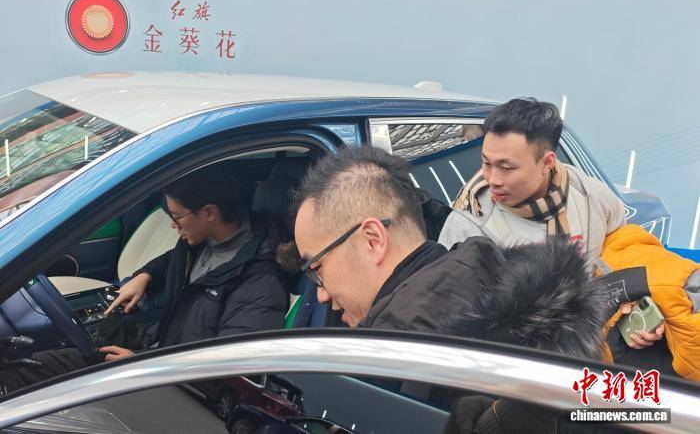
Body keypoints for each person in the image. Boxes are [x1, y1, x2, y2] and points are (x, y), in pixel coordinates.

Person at [293, 146, 608, 432]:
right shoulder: (499, 286)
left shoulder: (400, 362)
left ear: (373, 240)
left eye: (316, 269)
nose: (320, 294)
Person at [1, 167, 288, 392]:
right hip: (152, 356)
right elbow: (172, 260)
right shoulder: (203, 242)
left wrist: (141, 369)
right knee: (30, 367)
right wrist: (144, 276)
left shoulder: (260, 286)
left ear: (209, 213)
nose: (172, 225)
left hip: (170, 388)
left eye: (176, 217)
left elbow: (229, 375)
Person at [438, 97, 664, 353]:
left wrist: (629, 311)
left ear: (547, 163)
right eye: (486, 163)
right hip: (513, 357)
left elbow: (621, 262)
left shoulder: (591, 197)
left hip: (594, 352)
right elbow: (448, 313)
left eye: (506, 167)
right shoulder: (469, 224)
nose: (493, 179)